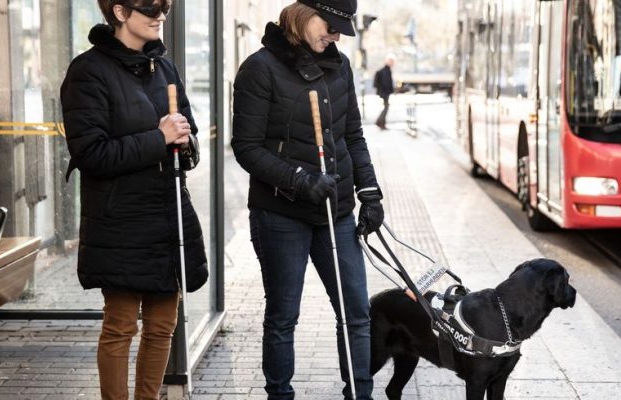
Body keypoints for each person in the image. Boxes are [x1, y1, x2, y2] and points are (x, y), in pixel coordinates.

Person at [230, 0, 384, 399]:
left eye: (339, 30)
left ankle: (360, 394)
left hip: (338, 211)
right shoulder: (259, 69)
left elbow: (353, 136)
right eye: (330, 26)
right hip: (281, 213)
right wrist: (298, 180)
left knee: (356, 313)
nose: (334, 36)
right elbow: (246, 147)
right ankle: (279, 395)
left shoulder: (340, 66)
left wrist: (369, 191)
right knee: (283, 316)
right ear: (303, 15)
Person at [60, 1, 208, 399]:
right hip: (120, 218)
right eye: (151, 7)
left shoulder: (165, 68)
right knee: (121, 324)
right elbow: (91, 154)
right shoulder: (88, 71)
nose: (161, 14)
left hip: (166, 212)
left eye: (166, 6)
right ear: (121, 12)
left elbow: (187, 135)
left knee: (163, 324)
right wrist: (158, 138)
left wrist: (186, 141)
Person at [373, 55, 395, 129]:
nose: (392, 63)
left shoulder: (385, 70)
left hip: (384, 92)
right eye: (391, 62)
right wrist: (388, 91)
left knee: (386, 107)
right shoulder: (386, 70)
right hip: (385, 93)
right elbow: (386, 83)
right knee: (386, 107)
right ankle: (379, 122)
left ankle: (382, 123)